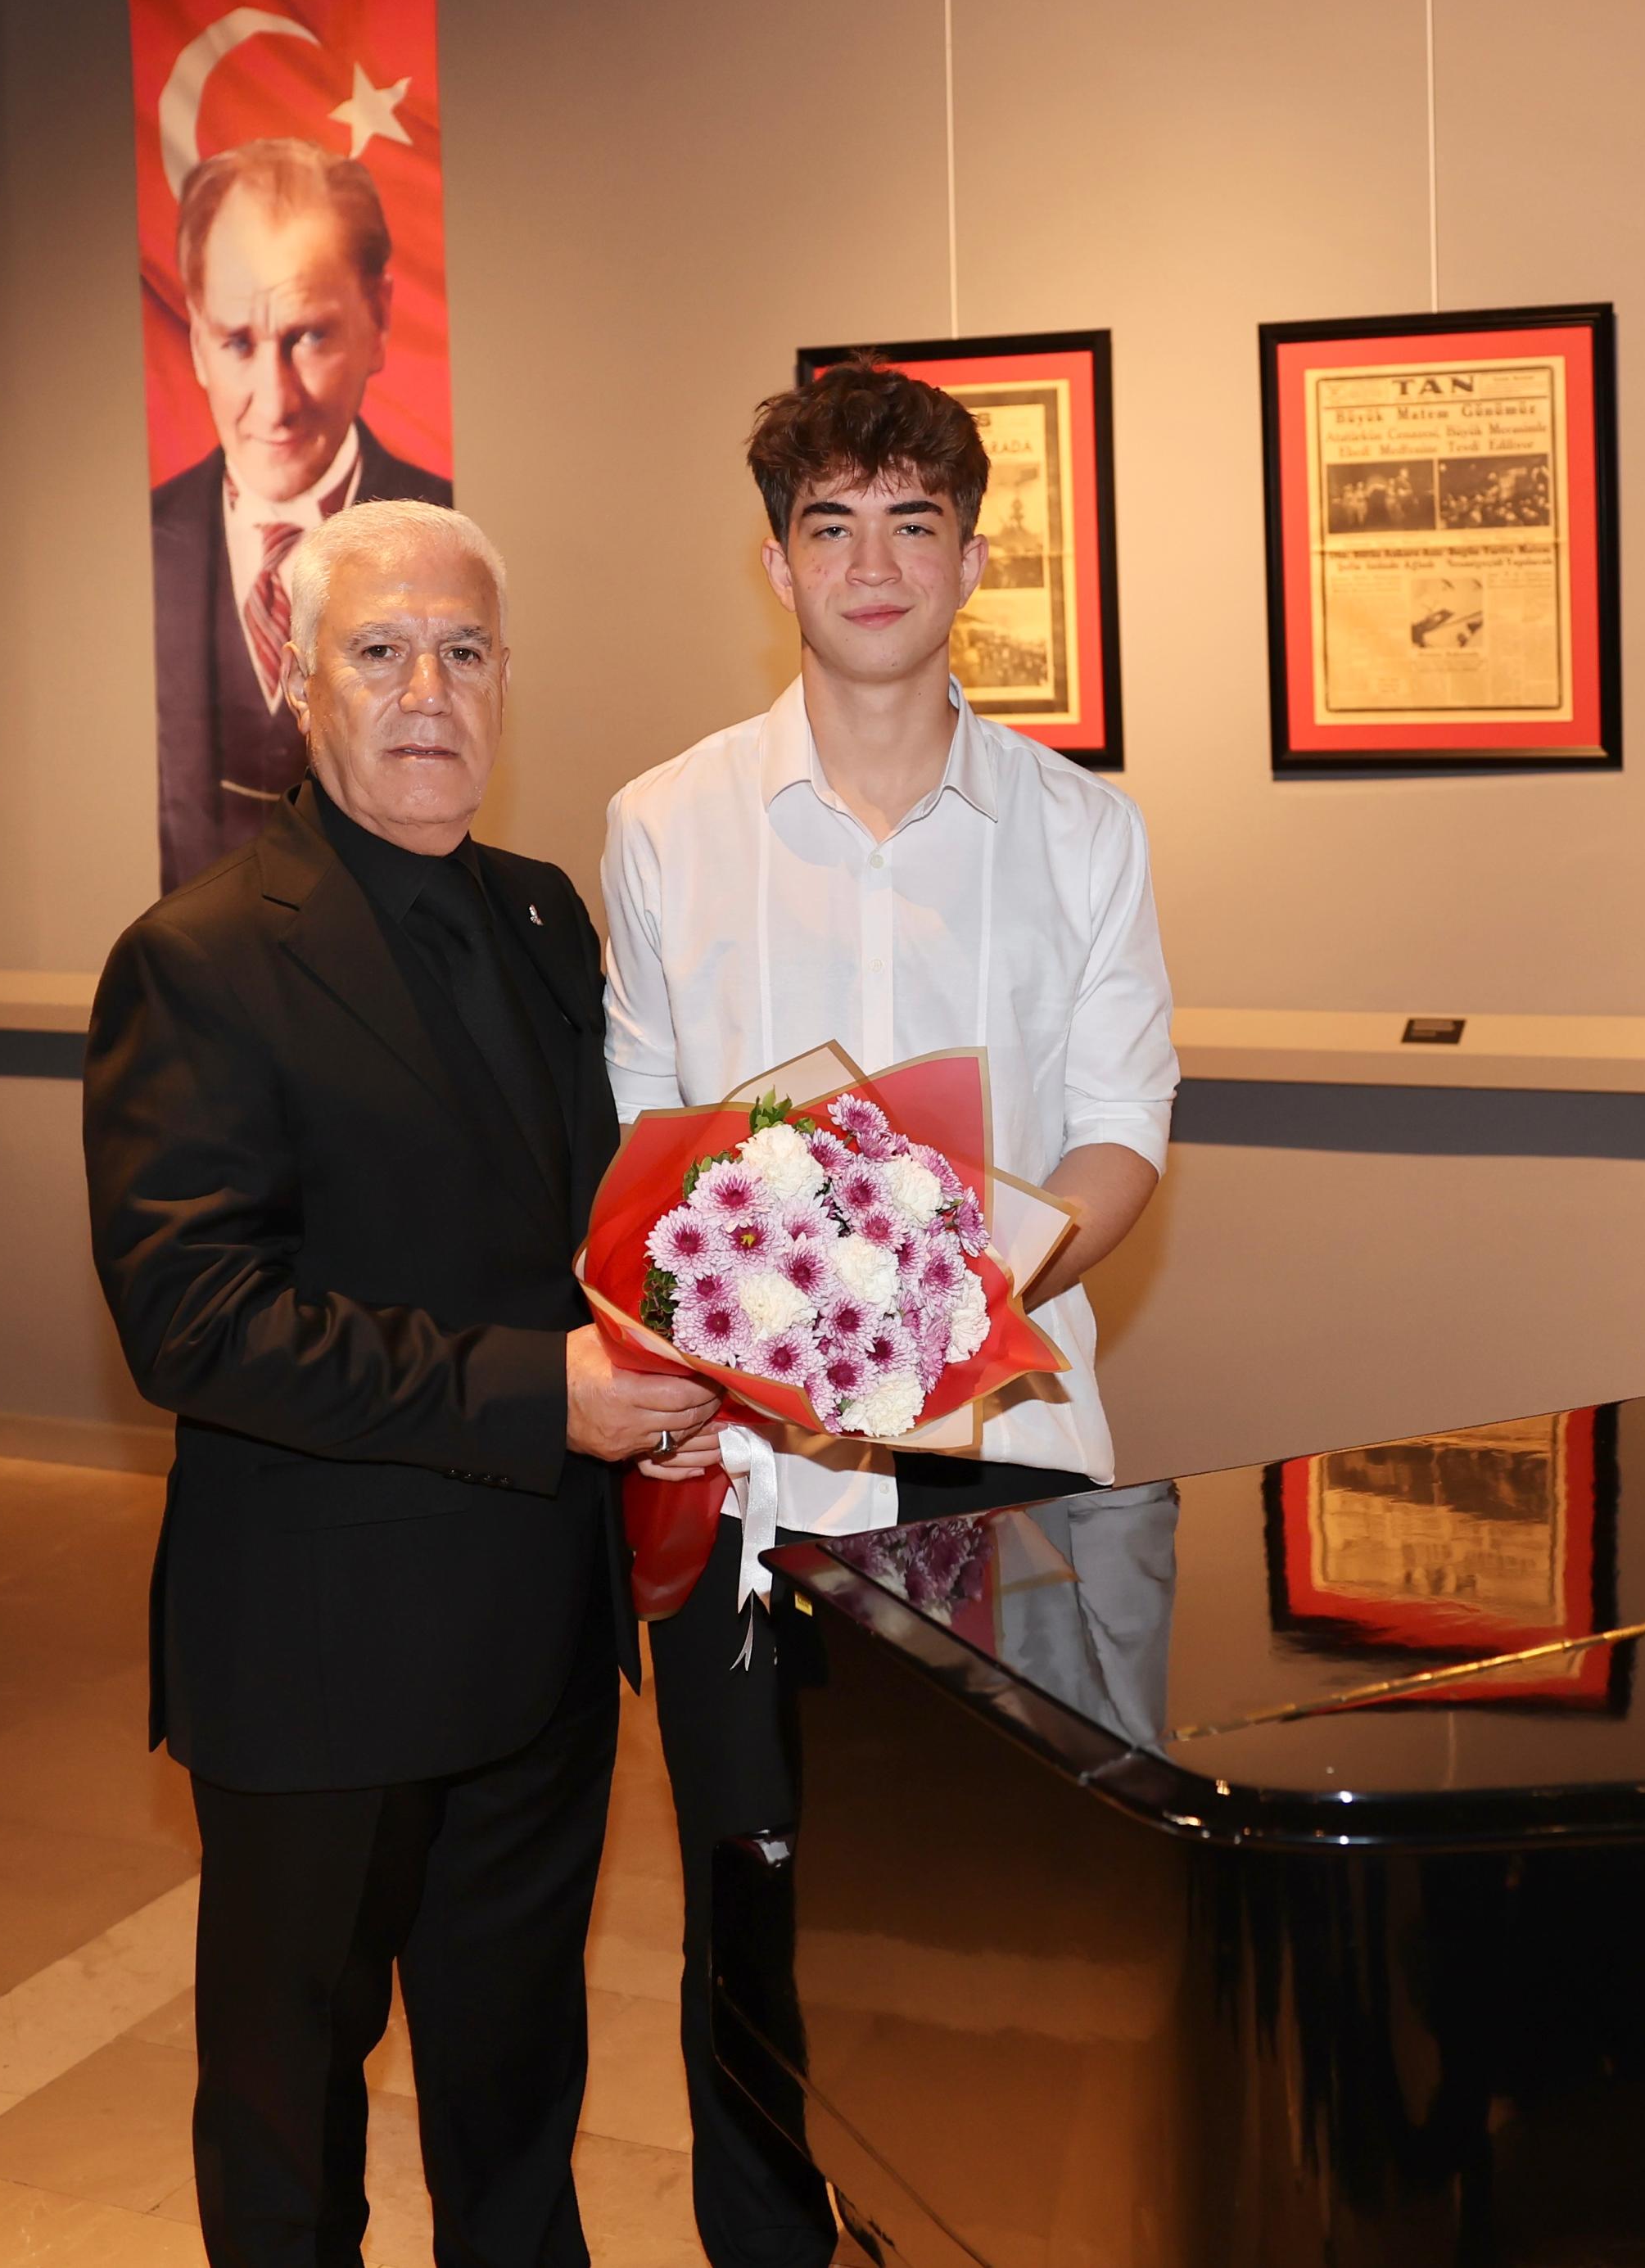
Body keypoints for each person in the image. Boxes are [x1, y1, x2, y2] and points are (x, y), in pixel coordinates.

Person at [88, 498, 722, 2268]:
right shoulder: (198, 955)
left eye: (463, 650)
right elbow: (194, 1319)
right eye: (379, 650)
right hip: (322, 1656)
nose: (427, 689)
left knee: (517, 2115)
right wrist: (545, 1396)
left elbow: (596, 1229)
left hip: (537, 1647)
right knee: (291, 2127)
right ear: (296, 681)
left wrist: (724, 1344)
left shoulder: (544, 914)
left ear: (506, 678)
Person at [599, 360, 1180, 2266]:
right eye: (830, 524)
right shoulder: (666, 821)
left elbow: (1122, 1130)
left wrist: (948, 1297)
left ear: (972, 558)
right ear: (774, 563)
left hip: (998, 1458)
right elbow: (642, 1138)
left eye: (911, 522)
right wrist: (758, 1328)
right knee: (748, 1912)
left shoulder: (1080, 829)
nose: (872, 562)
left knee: (1002, 1926)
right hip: (747, 1480)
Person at [151, 138, 455, 892]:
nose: (275, 401)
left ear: (379, 319)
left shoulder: (453, 541)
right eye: (236, 341)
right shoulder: (151, 545)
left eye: (309, 336)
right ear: (196, 341)